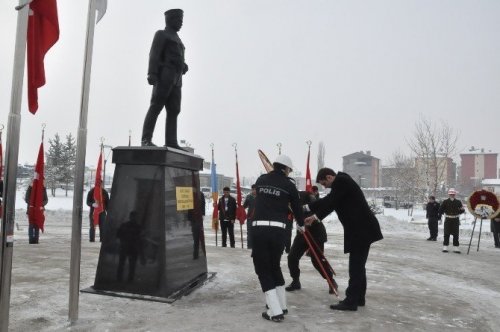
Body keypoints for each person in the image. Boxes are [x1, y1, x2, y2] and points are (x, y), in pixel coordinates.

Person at [303, 168, 383, 311]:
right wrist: (308, 207)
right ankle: (359, 298)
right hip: (361, 230)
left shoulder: (342, 181)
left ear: (329, 177)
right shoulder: (342, 183)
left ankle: (351, 301)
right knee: (359, 266)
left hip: (361, 231)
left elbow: (331, 203)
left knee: (355, 267)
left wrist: (314, 217)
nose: (324, 187)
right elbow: (328, 200)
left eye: (324, 183)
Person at [252, 154, 304, 323]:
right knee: (274, 267)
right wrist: (301, 225)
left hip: (260, 230)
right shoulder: (289, 186)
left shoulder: (261, 180)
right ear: (286, 169)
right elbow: (297, 208)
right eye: (289, 170)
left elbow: (259, 192)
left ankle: (274, 312)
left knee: (262, 269)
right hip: (279, 232)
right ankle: (281, 306)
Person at [141, 9, 188, 149]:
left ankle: (171, 141)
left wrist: (183, 65)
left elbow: (177, 57)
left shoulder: (178, 40)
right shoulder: (162, 34)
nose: (181, 23)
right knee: (156, 106)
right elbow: (154, 54)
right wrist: (152, 73)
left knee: (174, 110)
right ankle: (146, 139)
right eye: (178, 20)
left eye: (181, 21)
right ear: (170, 20)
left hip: (177, 79)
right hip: (164, 75)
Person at [285, 190, 331, 293]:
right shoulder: (287, 200)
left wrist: (304, 218)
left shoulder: (305, 196)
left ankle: (331, 281)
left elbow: (316, 210)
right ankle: (295, 281)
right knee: (292, 257)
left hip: (316, 232)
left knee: (317, 260)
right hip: (302, 233)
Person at [438, 188, 465, 253]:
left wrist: (460, 211)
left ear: (455, 194)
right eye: (451, 194)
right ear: (449, 194)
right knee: (446, 233)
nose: (452, 195)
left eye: (453, 194)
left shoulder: (458, 202)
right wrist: (440, 216)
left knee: (456, 234)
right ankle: (445, 246)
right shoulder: (445, 202)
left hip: (455, 219)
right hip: (448, 219)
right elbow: (440, 210)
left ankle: (456, 247)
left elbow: (462, 210)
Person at [243, 184, 257, 249]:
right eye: (253, 189)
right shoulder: (249, 197)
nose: (254, 191)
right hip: (250, 218)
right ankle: (249, 246)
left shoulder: (260, 197)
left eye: (255, 189)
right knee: (249, 233)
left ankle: (256, 247)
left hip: (258, 218)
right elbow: (244, 206)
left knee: (257, 233)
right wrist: (240, 208)